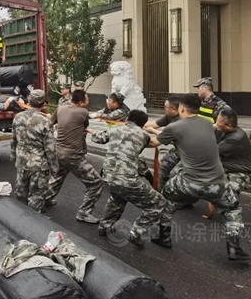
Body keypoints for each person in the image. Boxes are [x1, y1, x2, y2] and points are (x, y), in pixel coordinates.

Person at [148, 94, 251, 260]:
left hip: (189, 182)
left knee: (166, 200)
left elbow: (152, 143)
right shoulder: (208, 123)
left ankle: (164, 236)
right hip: (217, 183)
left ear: (181, 108)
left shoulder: (174, 127)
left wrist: (136, 134)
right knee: (232, 208)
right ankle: (234, 247)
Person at [98, 110, 168, 248]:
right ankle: (136, 232)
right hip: (126, 178)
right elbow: (143, 154)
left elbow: (97, 139)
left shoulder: (115, 128)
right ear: (143, 124)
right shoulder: (143, 135)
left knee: (118, 198)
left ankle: (104, 226)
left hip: (107, 175)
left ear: (128, 118)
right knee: (158, 202)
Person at [45, 90, 104, 224]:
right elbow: (84, 125)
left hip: (58, 151)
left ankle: (45, 199)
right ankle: (84, 213)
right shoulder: (82, 112)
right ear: (81, 102)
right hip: (73, 155)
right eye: (87, 100)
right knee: (96, 183)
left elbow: (50, 123)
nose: (88, 102)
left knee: (57, 177)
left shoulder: (60, 108)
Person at [10, 89, 58, 212]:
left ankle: (19, 220)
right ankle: (34, 224)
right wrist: (54, 168)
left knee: (20, 194)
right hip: (38, 165)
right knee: (36, 197)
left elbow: (13, 139)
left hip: (21, 161)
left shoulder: (18, 117)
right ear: (44, 104)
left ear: (29, 101)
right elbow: (50, 148)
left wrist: (13, 156)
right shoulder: (45, 122)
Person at [215, 108, 251, 210]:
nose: (216, 124)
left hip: (240, 171)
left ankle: (234, 222)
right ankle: (186, 200)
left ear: (229, 125)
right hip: (225, 166)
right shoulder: (222, 129)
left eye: (219, 122)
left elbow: (211, 151)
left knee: (227, 195)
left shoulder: (235, 138)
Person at [144, 95, 182, 191]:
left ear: (173, 109)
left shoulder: (180, 121)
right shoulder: (169, 116)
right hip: (178, 150)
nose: (164, 108)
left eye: (165, 107)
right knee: (164, 165)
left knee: (176, 174)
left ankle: (180, 198)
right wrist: (136, 123)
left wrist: (152, 131)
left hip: (187, 153)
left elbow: (158, 141)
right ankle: (163, 192)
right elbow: (155, 123)